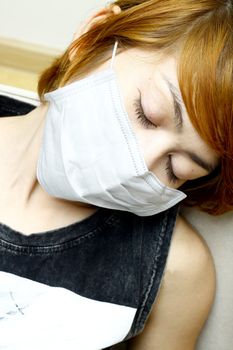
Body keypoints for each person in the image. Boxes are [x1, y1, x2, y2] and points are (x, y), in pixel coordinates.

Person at [0, 0, 232, 349]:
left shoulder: (176, 270)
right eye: (147, 114)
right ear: (93, 35)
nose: (140, 163)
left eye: (176, 168)